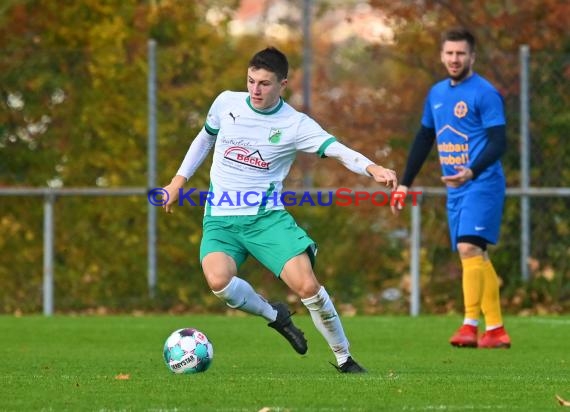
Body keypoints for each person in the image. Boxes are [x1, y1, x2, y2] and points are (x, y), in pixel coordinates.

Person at [162, 47, 398, 372]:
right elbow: (204, 139)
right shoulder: (226, 103)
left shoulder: (295, 124)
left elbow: (338, 150)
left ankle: (344, 358)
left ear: (282, 84)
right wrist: (177, 183)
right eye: (251, 81)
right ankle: (275, 316)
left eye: (265, 84)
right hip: (220, 218)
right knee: (219, 281)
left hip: (266, 221)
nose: (255, 90)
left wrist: (373, 168)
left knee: (308, 288)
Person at [391, 28, 511, 349]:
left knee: (468, 249)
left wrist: (471, 171)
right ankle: (496, 330)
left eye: (461, 53)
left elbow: (499, 142)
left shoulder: (484, 93)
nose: (455, 59)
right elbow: (424, 138)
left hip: (482, 183)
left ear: (472, 57)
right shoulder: (437, 94)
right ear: (442, 56)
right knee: (475, 255)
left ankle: (470, 325)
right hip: (455, 189)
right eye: (450, 53)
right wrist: (404, 183)